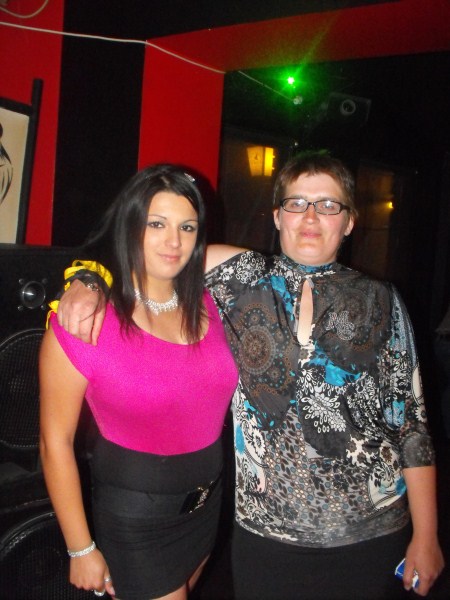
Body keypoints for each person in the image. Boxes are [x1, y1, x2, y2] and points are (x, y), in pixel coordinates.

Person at [54, 151, 445, 599]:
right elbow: (145, 252)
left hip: (370, 533)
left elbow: (411, 424)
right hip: (264, 535)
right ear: (277, 217)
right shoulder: (239, 276)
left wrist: (427, 535)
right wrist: (88, 278)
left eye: (328, 205)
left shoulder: (382, 300)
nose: (311, 217)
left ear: (350, 221)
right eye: (296, 203)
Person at [39, 164, 239, 600]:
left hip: (207, 508)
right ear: (130, 226)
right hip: (137, 522)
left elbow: (277, 262)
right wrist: (80, 547)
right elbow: (55, 441)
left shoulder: (212, 300)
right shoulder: (84, 320)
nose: (174, 241)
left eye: (187, 227)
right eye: (156, 224)